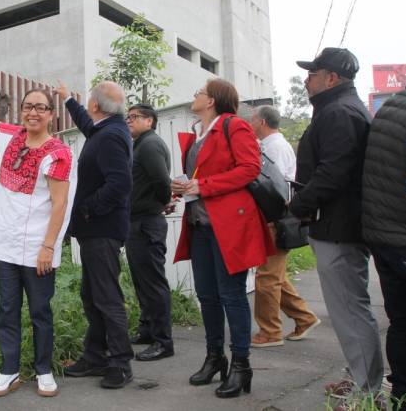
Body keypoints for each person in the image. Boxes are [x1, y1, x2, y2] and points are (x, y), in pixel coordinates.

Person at [0, 87, 76, 398]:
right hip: (7, 245)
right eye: (28, 107)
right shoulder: (11, 136)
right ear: (21, 111)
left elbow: (60, 203)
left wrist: (49, 247)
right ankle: (9, 369)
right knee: (8, 308)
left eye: (40, 107)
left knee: (40, 311)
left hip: (39, 248)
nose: (33, 113)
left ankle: (44, 370)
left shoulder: (58, 153)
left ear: (51, 114)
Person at [288, 47, 383, 399]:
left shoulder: (339, 112)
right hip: (338, 223)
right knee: (349, 310)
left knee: (350, 310)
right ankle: (359, 376)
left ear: (332, 78)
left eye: (312, 74)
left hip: (338, 227)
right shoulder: (339, 108)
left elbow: (334, 173)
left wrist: (299, 204)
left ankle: (368, 391)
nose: (306, 79)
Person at [171, 78, 273, 399]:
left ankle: (241, 365)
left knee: (231, 295)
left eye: (199, 92)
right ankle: (215, 357)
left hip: (229, 226)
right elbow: (198, 179)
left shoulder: (234, 126)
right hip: (200, 225)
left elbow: (250, 167)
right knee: (207, 295)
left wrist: (204, 186)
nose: (195, 95)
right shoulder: (199, 133)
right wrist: (182, 189)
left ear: (212, 100)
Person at [54, 80, 135, 389]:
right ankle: (96, 356)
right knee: (92, 296)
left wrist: (88, 208)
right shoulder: (107, 129)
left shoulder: (113, 136)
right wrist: (68, 101)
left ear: (97, 105)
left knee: (106, 297)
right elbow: (89, 127)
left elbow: (120, 184)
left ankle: (120, 362)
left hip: (101, 229)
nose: (87, 103)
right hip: (95, 231)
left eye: (88, 99)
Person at [248, 105, 320, 348]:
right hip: (277, 217)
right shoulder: (270, 145)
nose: (250, 122)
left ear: (262, 122)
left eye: (253, 118)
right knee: (275, 275)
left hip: (277, 218)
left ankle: (270, 332)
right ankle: (304, 318)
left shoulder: (274, 147)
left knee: (267, 277)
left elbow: (272, 186)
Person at [362, 83, 406, 411]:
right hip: (402, 235)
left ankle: (402, 396)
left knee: (402, 320)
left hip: (385, 235)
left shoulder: (391, 107)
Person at [124, 103, 175, 361]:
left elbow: (161, 181)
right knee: (142, 280)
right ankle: (147, 329)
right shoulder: (139, 144)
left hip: (147, 222)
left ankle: (163, 342)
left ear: (150, 121)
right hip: (137, 222)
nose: (130, 120)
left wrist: (162, 202)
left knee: (153, 283)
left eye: (135, 117)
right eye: (128, 116)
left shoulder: (150, 144)